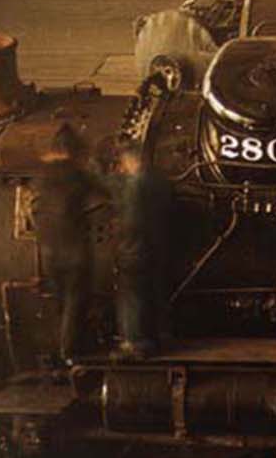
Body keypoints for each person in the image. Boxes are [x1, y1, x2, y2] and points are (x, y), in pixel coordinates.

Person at [31, 123, 107, 366]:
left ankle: (57, 350)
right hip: (74, 249)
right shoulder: (76, 173)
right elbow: (105, 193)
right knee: (76, 300)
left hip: (49, 250)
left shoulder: (42, 174)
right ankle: (70, 352)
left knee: (60, 301)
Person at [111, 140, 176, 361]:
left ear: (130, 160)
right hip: (158, 245)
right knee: (153, 293)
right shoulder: (160, 181)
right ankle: (156, 338)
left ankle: (134, 344)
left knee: (131, 296)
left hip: (135, 247)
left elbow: (132, 221)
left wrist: (122, 241)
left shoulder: (134, 184)